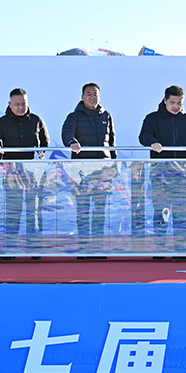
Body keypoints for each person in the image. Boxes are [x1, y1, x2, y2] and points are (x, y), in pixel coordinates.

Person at [139, 85, 186, 251]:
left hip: (181, 175)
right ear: (165, 100)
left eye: (179, 103)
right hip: (160, 175)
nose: (176, 106)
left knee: (181, 214)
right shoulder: (152, 118)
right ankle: (159, 249)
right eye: (172, 102)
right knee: (161, 212)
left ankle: (181, 250)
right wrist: (152, 141)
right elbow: (143, 136)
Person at [61, 82, 116, 249]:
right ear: (82, 97)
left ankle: (98, 246)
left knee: (100, 211)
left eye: (95, 94)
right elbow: (66, 132)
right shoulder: (74, 116)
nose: (92, 97)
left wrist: (114, 166)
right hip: (82, 172)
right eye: (89, 94)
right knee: (83, 211)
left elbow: (112, 142)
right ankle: (84, 246)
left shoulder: (106, 115)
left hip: (103, 171)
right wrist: (72, 142)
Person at [0, 88, 51, 240]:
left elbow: (45, 143)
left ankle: (34, 243)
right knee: (13, 210)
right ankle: (10, 244)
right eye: (17, 104)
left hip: (33, 173)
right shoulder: (1, 122)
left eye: (23, 104)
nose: (20, 107)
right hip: (12, 173)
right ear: (9, 104)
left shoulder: (37, 120)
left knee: (34, 210)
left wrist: (39, 159)